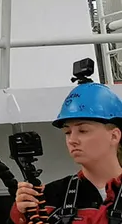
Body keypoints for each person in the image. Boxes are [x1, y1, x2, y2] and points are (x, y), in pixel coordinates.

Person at [11, 82, 122, 224]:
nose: (72, 140)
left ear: (114, 136)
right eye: (67, 132)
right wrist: (19, 216)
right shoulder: (47, 197)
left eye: (83, 130)